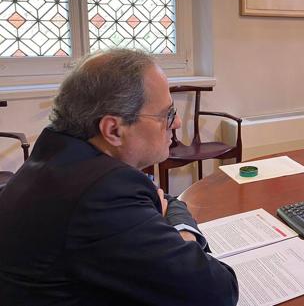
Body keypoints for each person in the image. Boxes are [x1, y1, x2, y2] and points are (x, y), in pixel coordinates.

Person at [0, 49, 239, 305]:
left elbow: (164, 198)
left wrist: (167, 215)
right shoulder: (101, 194)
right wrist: (185, 236)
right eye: (166, 114)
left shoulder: (59, 156)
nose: (177, 123)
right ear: (113, 129)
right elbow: (218, 292)